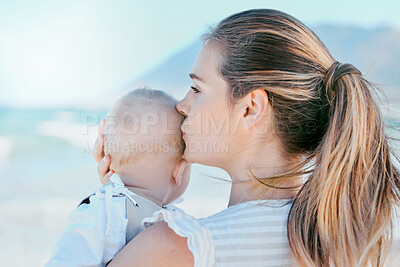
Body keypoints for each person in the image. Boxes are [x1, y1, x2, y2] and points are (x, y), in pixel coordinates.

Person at [94, 9, 400, 266]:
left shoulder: (179, 248)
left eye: (197, 89)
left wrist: (115, 207)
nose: (182, 105)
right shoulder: (339, 242)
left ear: (251, 108)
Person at [46, 88, 191, 266]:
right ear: (180, 171)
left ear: (107, 157)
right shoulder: (106, 209)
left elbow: (66, 259)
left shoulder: (102, 212)